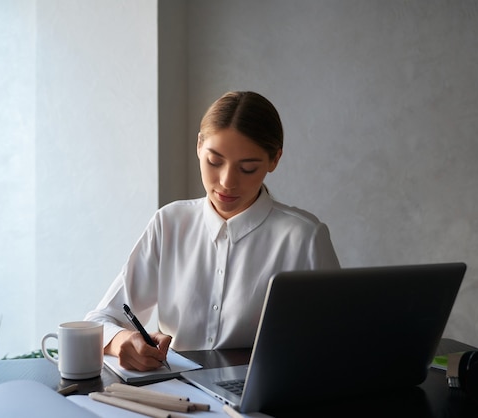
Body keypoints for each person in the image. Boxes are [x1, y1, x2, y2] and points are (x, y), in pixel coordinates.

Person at [84, 91, 340, 371]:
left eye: (248, 168)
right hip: (175, 396)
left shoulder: (303, 237)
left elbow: (338, 342)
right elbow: (100, 319)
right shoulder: (169, 223)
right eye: (214, 161)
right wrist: (124, 341)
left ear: (274, 160)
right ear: (199, 146)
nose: (227, 182)